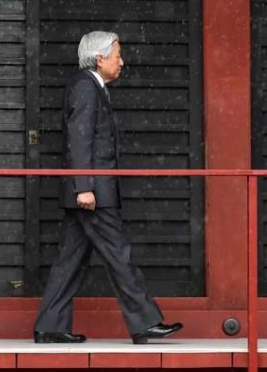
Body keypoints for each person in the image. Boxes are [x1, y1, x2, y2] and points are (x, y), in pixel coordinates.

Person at [33, 31, 183, 344]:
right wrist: (85, 187)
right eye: (117, 55)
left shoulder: (89, 86)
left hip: (89, 190)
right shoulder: (87, 87)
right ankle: (145, 321)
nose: (121, 62)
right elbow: (80, 138)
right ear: (100, 59)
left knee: (70, 260)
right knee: (118, 253)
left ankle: (50, 325)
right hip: (94, 193)